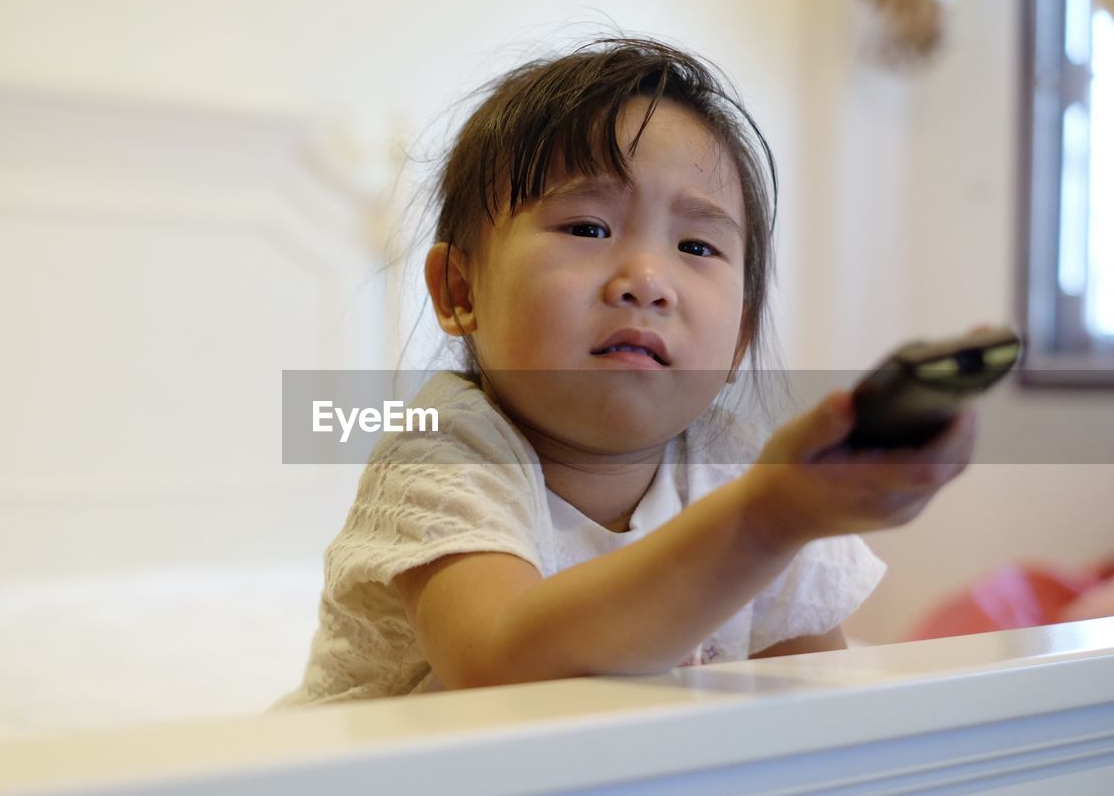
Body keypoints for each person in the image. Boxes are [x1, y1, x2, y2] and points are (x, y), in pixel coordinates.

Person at [271, 36, 975, 708]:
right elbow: (501, 664)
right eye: (588, 228)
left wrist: (799, 511)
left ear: (740, 338)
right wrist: (766, 521)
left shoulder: (738, 469)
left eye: (696, 245)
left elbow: (818, 721)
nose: (647, 280)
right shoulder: (443, 451)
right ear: (460, 291)